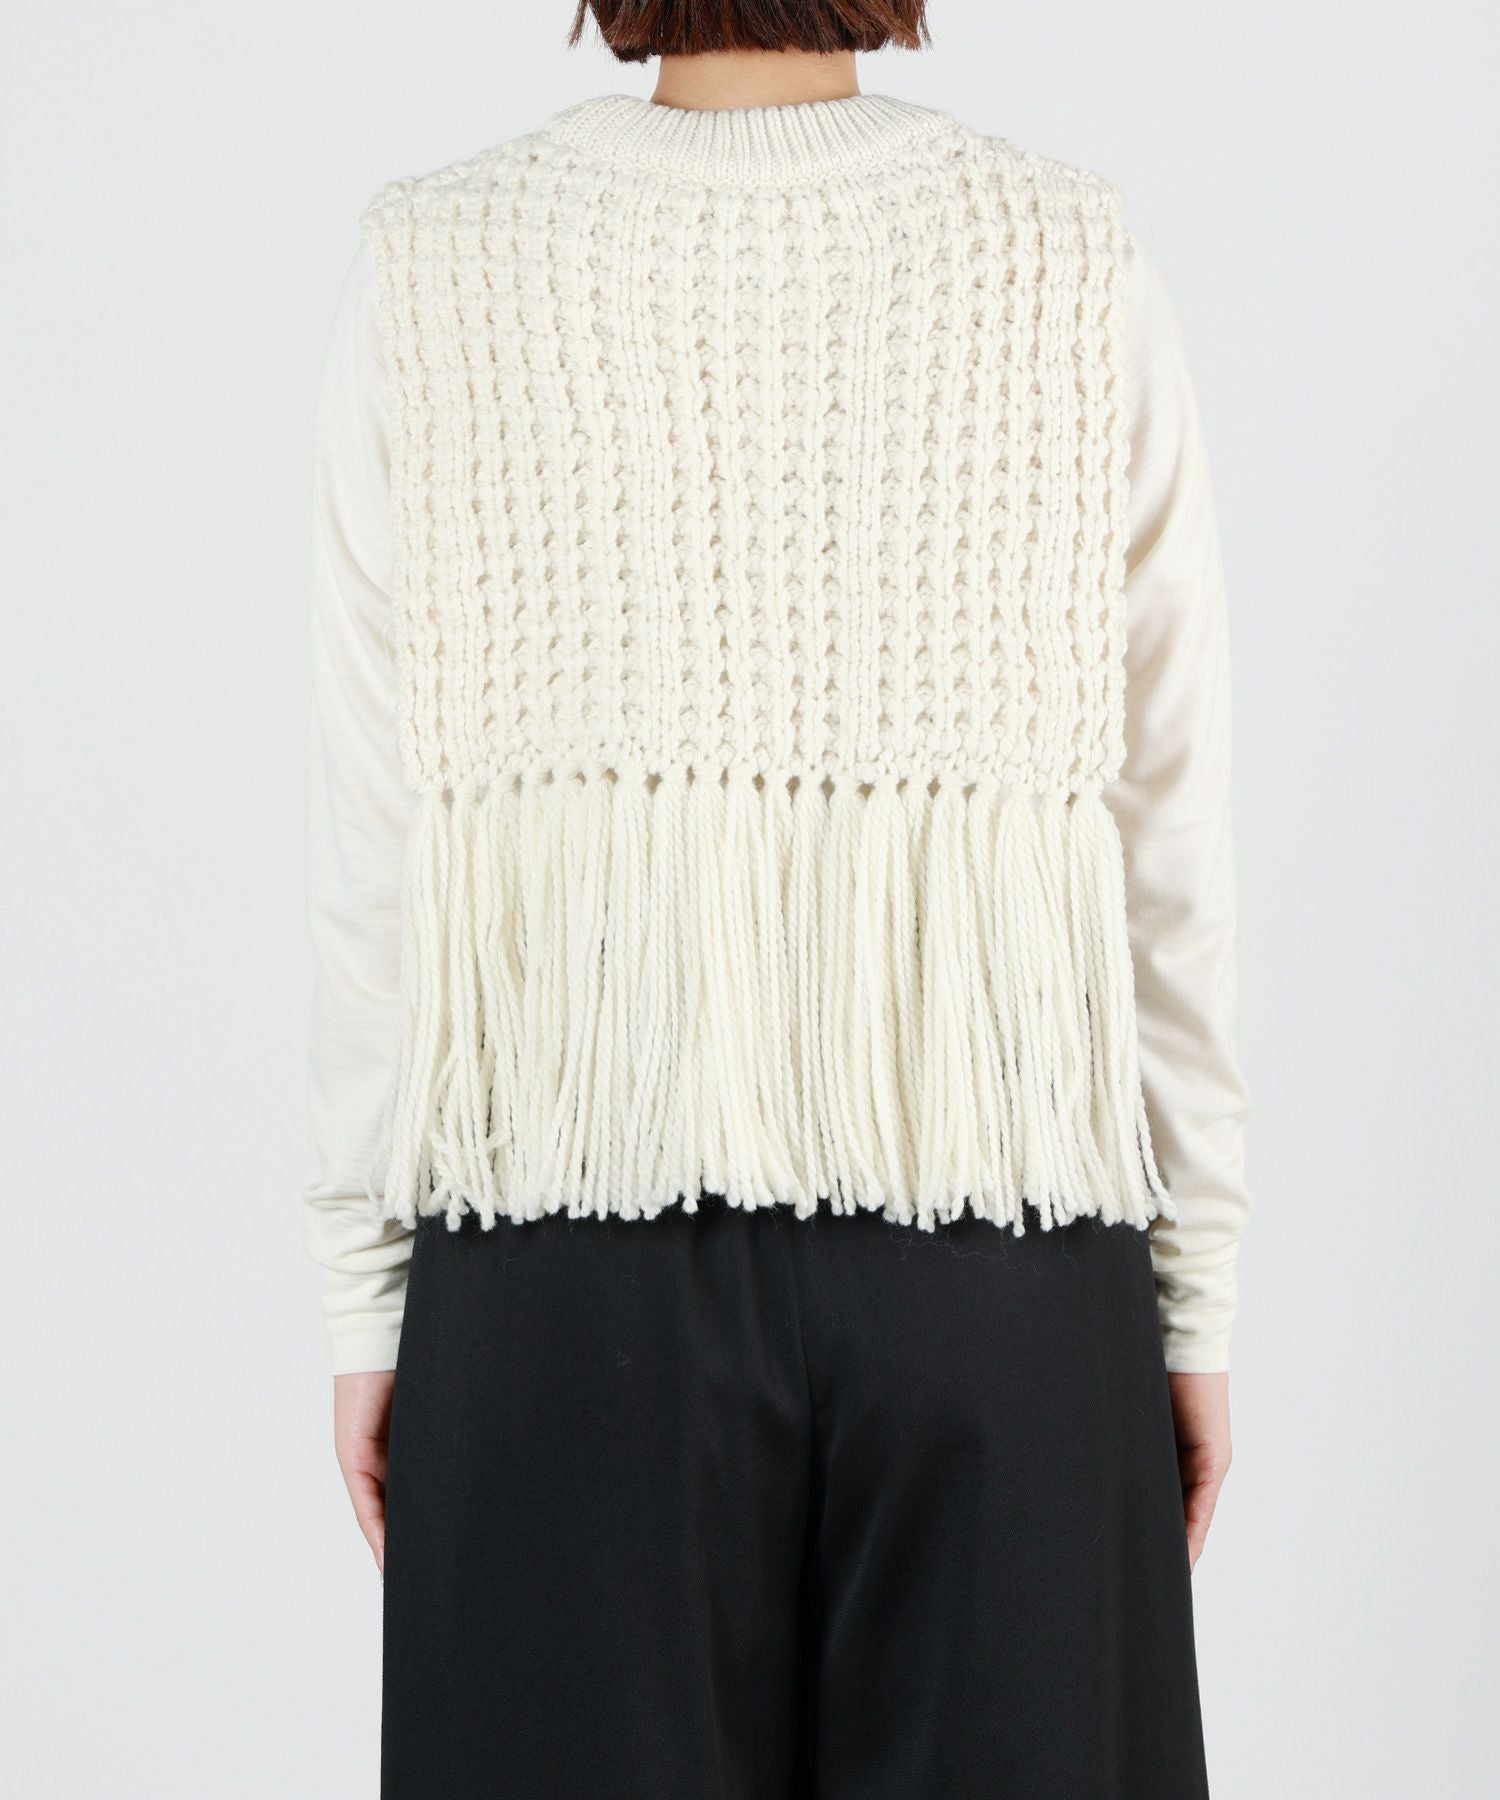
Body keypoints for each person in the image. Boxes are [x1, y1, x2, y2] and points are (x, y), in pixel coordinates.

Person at [304, 3, 1250, 1792]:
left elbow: (382, 855)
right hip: (997, 1260)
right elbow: (1169, 835)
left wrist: (369, 1295)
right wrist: (1191, 1291)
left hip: (570, 1274)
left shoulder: (432, 267)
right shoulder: (1068, 257)